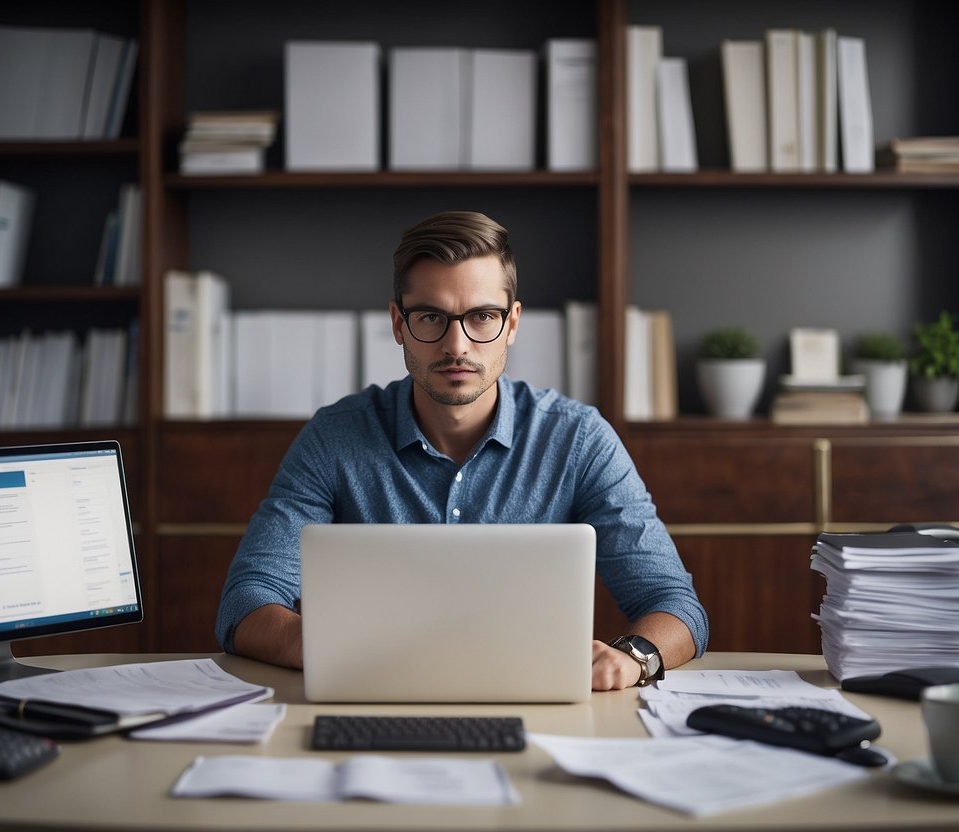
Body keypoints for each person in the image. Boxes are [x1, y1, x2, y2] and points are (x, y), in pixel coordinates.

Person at [215, 210, 708, 690]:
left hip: (541, 713)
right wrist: (321, 645)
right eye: (431, 316)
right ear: (397, 323)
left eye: (482, 317)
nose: (457, 345)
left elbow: (675, 604)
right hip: (370, 700)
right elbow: (246, 601)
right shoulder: (334, 437)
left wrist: (632, 659)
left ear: (512, 323)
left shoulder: (578, 438)